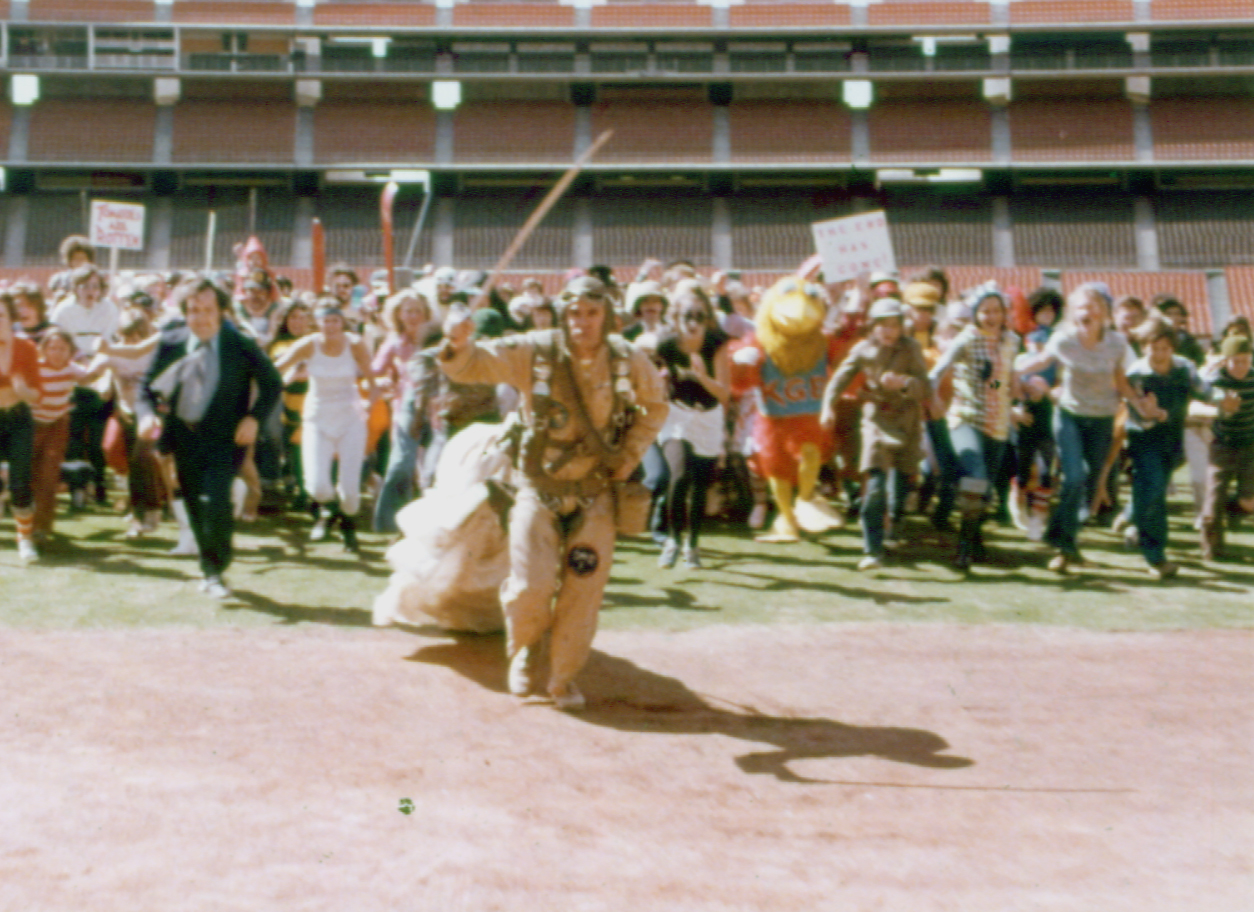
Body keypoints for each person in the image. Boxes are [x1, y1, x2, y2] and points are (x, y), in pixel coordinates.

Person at [438, 275, 668, 711]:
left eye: (592, 313)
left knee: (583, 593)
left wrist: (632, 452)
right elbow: (472, 365)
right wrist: (457, 341)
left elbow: (656, 405)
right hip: (537, 490)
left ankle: (563, 678)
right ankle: (524, 651)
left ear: (607, 315)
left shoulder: (627, 359)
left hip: (595, 494)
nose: (582, 322)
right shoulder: (535, 350)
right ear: (564, 314)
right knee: (530, 587)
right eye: (575, 313)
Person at [138, 277, 282, 599]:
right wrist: (146, 415)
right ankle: (210, 566)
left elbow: (272, 383)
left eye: (207, 310)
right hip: (183, 437)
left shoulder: (240, 344)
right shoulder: (171, 342)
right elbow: (145, 389)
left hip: (224, 439)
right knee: (194, 505)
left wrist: (254, 418)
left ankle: (214, 570)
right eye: (193, 310)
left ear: (221, 312)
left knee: (216, 501)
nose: (200, 318)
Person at [1018, 283, 1150, 573]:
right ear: (1072, 313)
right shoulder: (1064, 339)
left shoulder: (1116, 343)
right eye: (1080, 307)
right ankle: (1064, 547)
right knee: (1075, 477)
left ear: (1104, 313)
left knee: (1091, 488)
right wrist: (1001, 380)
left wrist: (1142, 407)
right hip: (1070, 416)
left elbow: (1124, 380)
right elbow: (1037, 363)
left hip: (1102, 419)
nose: (1085, 312)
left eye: (1092, 307)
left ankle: (1062, 535)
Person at [822, 298, 930, 571]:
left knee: (904, 482)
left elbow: (926, 388)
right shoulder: (862, 349)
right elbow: (839, 378)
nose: (888, 331)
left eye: (894, 325)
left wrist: (905, 383)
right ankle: (873, 549)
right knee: (876, 485)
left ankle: (896, 521)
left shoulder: (912, 348)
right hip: (876, 419)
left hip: (907, 420)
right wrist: (827, 407)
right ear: (872, 326)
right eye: (882, 325)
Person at [927, 288, 1024, 570]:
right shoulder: (966, 339)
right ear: (976, 314)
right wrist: (933, 398)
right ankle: (964, 549)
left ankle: (975, 538)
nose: (991, 317)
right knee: (975, 479)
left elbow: (1000, 381)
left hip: (999, 422)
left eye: (997, 311)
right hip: (966, 417)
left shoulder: (1012, 341)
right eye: (985, 311)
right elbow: (938, 371)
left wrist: (1013, 396)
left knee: (985, 487)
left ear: (1004, 314)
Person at [274, 300, 378, 554]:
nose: (330, 326)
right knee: (317, 484)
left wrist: (368, 405)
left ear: (342, 322)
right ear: (316, 322)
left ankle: (348, 526)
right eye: (325, 320)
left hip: (350, 418)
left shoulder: (354, 344)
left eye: (335, 320)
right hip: (317, 417)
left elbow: (373, 382)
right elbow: (276, 368)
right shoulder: (307, 344)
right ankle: (330, 510)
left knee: (350, 490)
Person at [1121, 315, 1211, 579]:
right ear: (1144, 346)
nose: (1159, 354)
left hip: (1172, 441)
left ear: (1173, 347)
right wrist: (1154, 415)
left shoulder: (1185, 368)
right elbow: (1136, 414)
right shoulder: (1136, 374)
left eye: (1165, 348)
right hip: (1144, 438)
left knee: (1149, 490)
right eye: (1153, 347)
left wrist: (1222, 399)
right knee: (1156, 489)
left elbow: (1205, 390)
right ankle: (1156, 556)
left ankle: (1133, 520)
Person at [653, 285, 731, 570]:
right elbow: (653, 373)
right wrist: (659, 380)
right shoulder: (665, 344)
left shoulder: (716, 343)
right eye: (687, 315)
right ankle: (672, 540)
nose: (693, 321)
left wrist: (701, 377)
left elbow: (724, 393)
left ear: (708, 318)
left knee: (700, 484)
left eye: (700, 315)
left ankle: (692, 544)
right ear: (676, 318)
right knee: (679, 474)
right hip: (677, 413)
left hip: (708, 415)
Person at [1199, 334, 1254, 561]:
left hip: (1250, 445)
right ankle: (1211, 548)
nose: (1241, 366)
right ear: (1225, 361)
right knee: (1213, 500)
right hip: (1223, 446)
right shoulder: (1215, 381)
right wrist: (1222, 405)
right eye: (1235, 361)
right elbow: (1204, 398)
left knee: (1249, 502)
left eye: (1245, 360)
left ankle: (1233, 508)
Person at [0, 295, 43, 561]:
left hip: (18, 419)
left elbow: (37, 394)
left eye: (1, 315)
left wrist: (23, 390)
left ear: (11, 318)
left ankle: (24, 539)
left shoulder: (26, 348)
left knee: (20, 481)